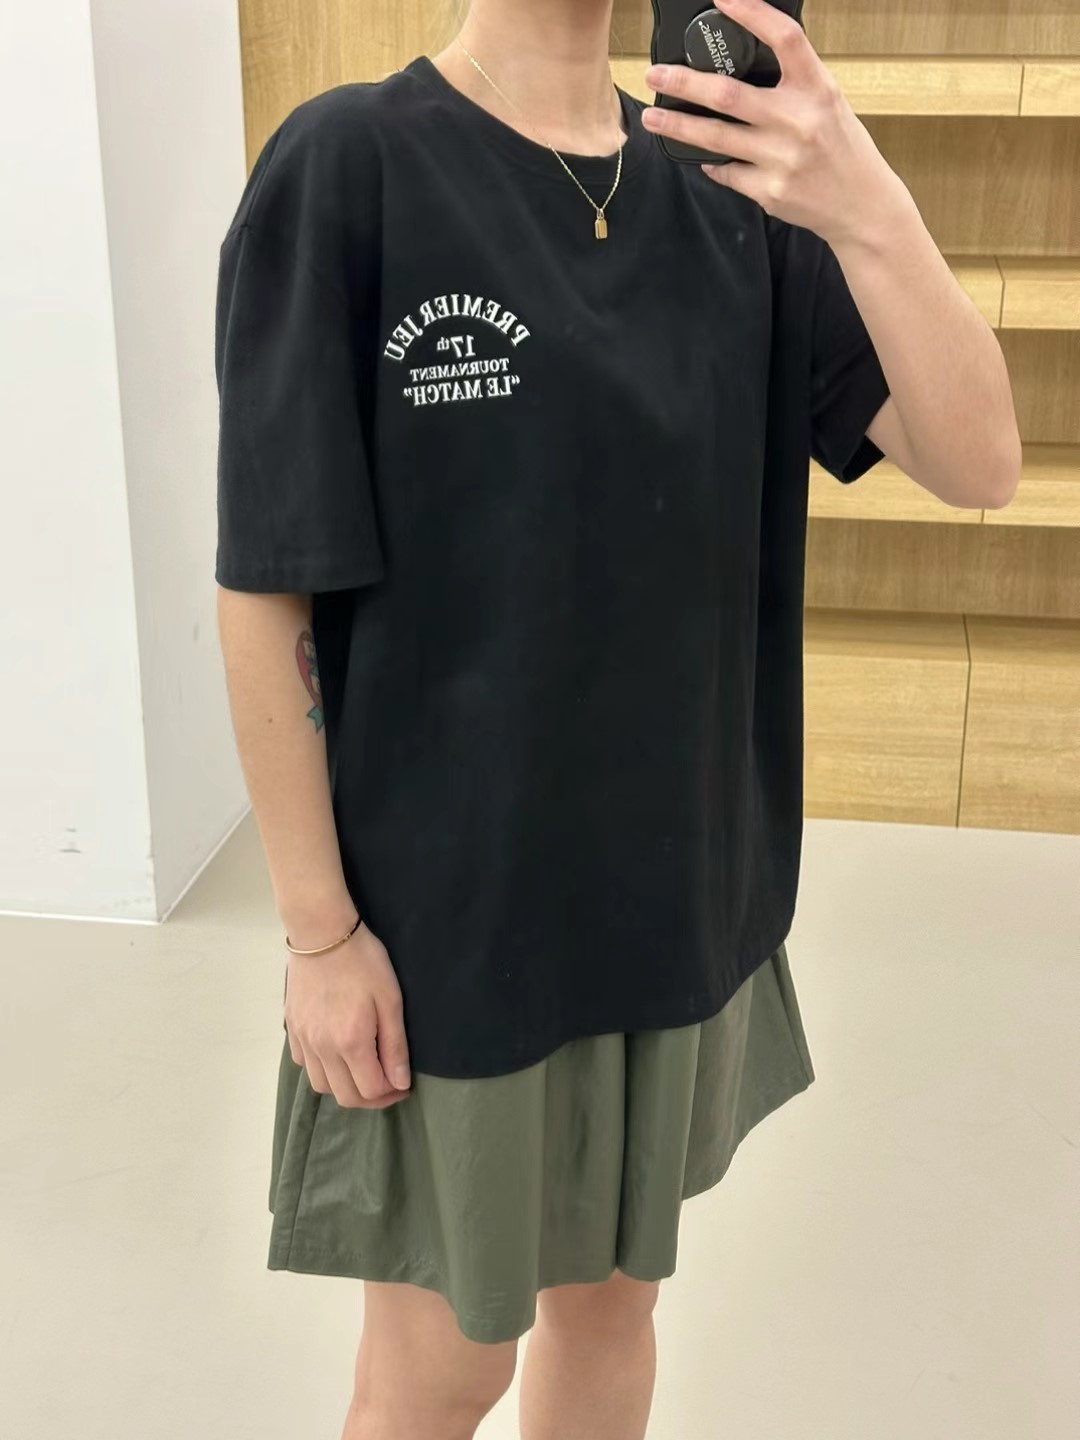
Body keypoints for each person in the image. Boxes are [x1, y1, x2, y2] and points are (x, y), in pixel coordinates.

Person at [213, 1, 915, 1436]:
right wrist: (320, 935)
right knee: (444, 1364)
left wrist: (868, 201)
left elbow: (978, 458)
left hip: (672, 902)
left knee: (613, 1310)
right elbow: (268, 587)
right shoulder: (351, 166)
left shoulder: (733, 187)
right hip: (456, 926)